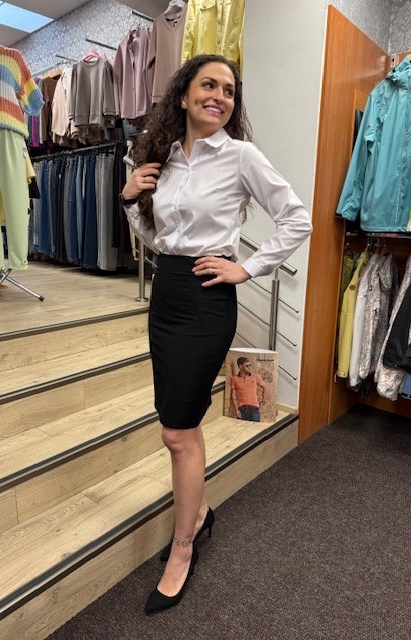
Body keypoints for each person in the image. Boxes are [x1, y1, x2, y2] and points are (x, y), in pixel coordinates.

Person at [120, 54, 312, 614]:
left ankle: (184, 547)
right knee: (180, 426)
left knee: (176, 433)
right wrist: (130, 200)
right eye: (209, 85)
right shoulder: (163, 160)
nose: (220, 96)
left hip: (207, 299)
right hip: (166, 294)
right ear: (184, 95)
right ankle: (199, 513)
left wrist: (246, 268)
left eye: (229, 90)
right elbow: (157, 240)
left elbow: (296, 218)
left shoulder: (241, 156)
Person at [230, 356, 268, 421]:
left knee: (255, 427)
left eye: (250, 365)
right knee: (241, 427)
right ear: (240, 367)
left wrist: (263, 401)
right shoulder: (234, 379)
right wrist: (236, 410)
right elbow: (233, 396)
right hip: (241, 409)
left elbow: (265, 387)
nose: (249, 367)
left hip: (254, 409)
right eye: (247, 366)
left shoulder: (255, 376)